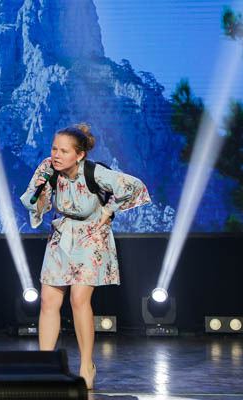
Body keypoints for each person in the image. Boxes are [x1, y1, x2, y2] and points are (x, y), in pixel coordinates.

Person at [20, 123, 150, 390]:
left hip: (91, 234)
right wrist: (40, 194)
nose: (56, 155)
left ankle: (86, 365)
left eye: (63, 151)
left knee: (79, 299)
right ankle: (46, 367)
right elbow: (34, 203)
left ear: (79, 155)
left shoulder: (93, 172)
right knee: (48, 300)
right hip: (61, 233)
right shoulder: (47, 169)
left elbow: (133, 186)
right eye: (54, 149)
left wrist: (108, 211)